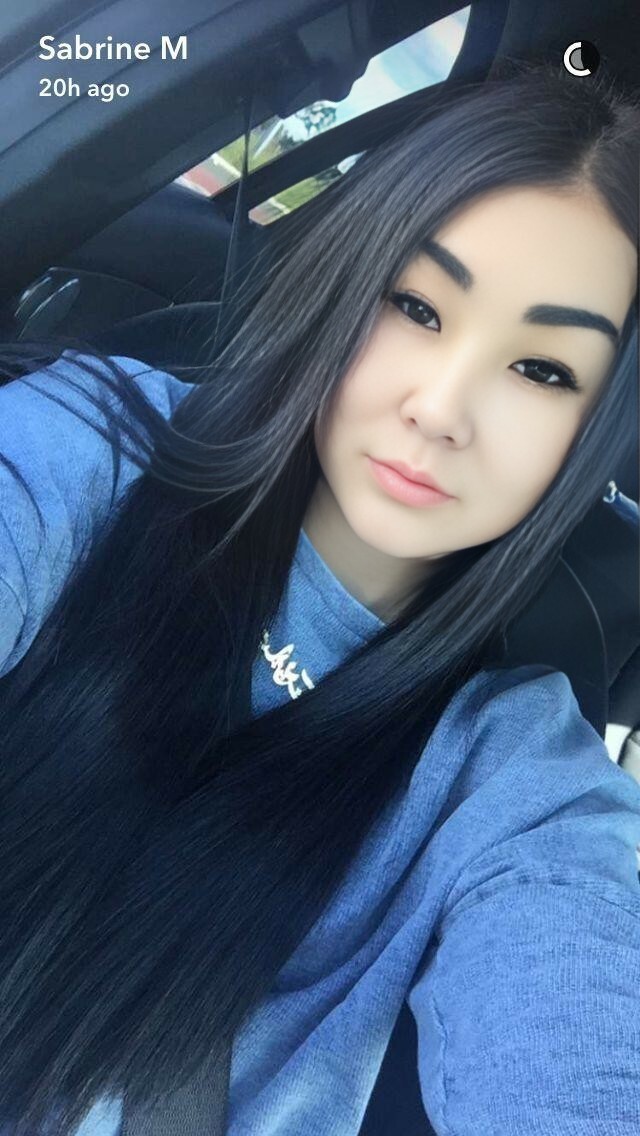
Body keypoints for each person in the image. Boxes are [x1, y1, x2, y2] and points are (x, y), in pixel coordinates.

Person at [0, 59, 638, 1136]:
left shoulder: (514, 778)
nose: (440, 408)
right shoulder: (90, 454)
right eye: (416, 305)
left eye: (542, 371)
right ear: (348, 279)